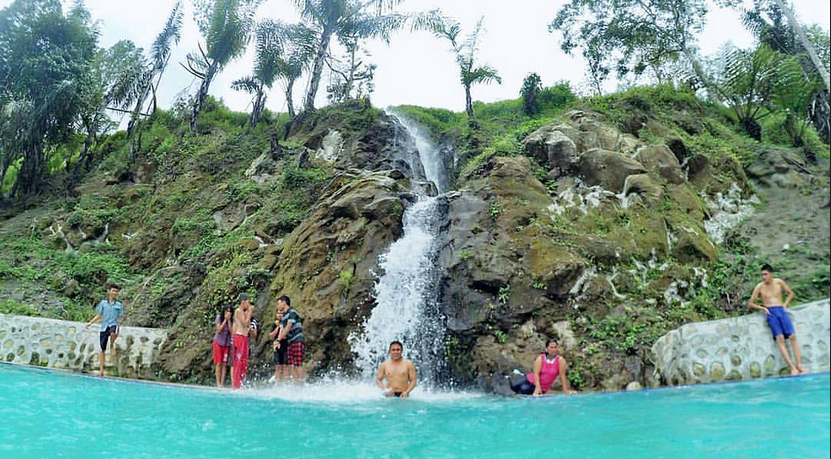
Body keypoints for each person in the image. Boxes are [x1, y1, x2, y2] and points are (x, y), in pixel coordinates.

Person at [748, 263, 806, 376]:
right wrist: (763, 308)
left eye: (765, 274)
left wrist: (785, 305)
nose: (763, 277)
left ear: (771, 274)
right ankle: (792, 367)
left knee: (792, 336)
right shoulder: (760, 286)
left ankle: (799, 365)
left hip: (781, 310)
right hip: (771, 312)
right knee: (780, 338)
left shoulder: (779, 282)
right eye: (762, 275)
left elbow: (790, 293)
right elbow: (750, 303)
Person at [510, 339, 576, 396]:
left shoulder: (560, 361)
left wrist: (566, 390)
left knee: (523, 389)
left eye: (555, 347)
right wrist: (537, 388)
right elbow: (536, 374)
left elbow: (562, 376)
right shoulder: (541, 358)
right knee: (513, 386)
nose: (554, 350)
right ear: (547, 349)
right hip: (529, 379)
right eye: (551, 347)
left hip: (542, 387)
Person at [85, 284, 124, 377]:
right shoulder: (103, 303)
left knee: (113, 332)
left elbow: (120, 318)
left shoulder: (119, 305)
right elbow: (99, 315)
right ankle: (101, 370)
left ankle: (112, 346)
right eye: (113, 291)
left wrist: (119, 327)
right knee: (102, 349)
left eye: (116, 291)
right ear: (109, 291)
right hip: (104, 327)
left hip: (113, 325)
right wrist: (90, 322)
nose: (115, 293)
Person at [275, 295, 305, 382]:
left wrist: (278, 340)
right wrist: (278, 340)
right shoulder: (284, 316)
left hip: (297, 340)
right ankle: (296, 384)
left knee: (298, 364)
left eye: (278, 303)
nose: (278, 306)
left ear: (284, 303)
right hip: (290, 342)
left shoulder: (292, 313)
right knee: (291, 364)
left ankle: (300, 384)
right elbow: (281, 330)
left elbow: (288, 327)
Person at [231, 294, 254, 389]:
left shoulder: (244, 312)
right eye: (248, 302)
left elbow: (248, 325)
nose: (249, 305)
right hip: (239, 336)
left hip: (244, 337)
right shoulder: (238, 311)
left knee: (244, 361)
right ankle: (236, 385)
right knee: (238, 361)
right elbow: (245, 323)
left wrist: (248, 313)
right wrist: (249, 313)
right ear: (243, 302)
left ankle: (242, 382)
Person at [213, 306, 233, 387]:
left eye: (230, 312)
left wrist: (229, 321)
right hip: (218, 342)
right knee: (218, 363)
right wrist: (225, 320)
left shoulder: (232, 320)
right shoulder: (219, 318)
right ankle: (218, 383)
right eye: (226, 312)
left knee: (224, 363)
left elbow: (232, 332)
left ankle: (222, 382)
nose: (228, 314)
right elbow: (219, 329)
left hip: (226, 344)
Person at [268, 309, 286, 381]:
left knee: (285, 366)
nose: (279, 315)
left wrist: (282, 327)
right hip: (277, 347)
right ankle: (277, 382)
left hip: (285, 345)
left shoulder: (286, 324)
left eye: (281, 313)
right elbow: (271, 336)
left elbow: (285, 336)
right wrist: (278, 327)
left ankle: (285, 382)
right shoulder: (274, 324)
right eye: (278, 313)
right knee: (278, 366)